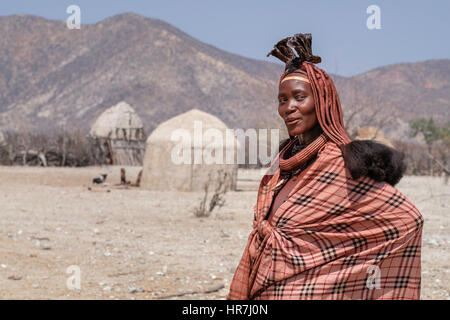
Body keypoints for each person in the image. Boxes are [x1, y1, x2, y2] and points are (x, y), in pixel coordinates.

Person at [227, 33, 424, 300]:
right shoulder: (283, 159)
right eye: (282, 99)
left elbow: (407, 219)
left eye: (299, 97)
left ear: (321, 101)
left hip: (308, 288)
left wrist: (337, 273)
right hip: (266, 276)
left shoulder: (339, 163)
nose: (289, 108)